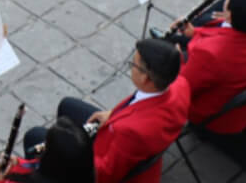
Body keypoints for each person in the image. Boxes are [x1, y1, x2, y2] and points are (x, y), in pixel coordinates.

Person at [44, 39, 189, 183]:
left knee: (35, 137)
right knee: (67, 105)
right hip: (124, 126)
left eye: (133, 64)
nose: (131, 67)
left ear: (145, 77)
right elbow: (138, 101)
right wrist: (112, 113)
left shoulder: (131, 132)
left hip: (104, 154)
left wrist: (70, 153)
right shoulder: (181, 85)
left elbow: (105, 173)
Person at [172, 0, 246, 138]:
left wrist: (177, 59)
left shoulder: (209, 54)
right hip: (245, 103)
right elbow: (225, 35)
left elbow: (184, 86)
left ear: (230, 16)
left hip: (215, 116)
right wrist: (195, 32)